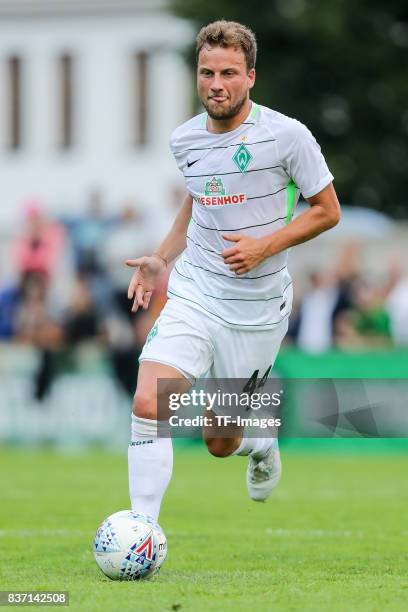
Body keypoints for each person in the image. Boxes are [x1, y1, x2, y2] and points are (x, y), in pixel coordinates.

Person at [126, 20, 341, 521]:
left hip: (257, 309)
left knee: (220, 441)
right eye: (206, 73)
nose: (215, 84)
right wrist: (163, 257)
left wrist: (265, 245)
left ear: (250, 77)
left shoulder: (287, 136)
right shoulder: (184, 140)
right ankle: (142, 530)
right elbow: (201, 199)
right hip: (196, 292)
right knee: (148, 402)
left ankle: (262, 440)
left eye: (227, 73)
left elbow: (327, 209)